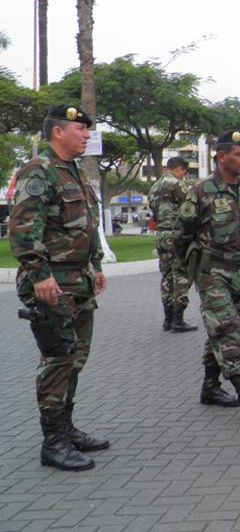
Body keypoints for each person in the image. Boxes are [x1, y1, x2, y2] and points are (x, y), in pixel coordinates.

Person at [10, 105, 109, 471]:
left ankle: (67, 430)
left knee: (75, 359)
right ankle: (53, 442)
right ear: (57, 132)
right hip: (52, 284)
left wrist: (95, 265)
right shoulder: (39, 171)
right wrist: (39, 274)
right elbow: (23, 229)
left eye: (86, 129)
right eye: (80, 128)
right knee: (57, 359)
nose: (86, 134)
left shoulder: (74, 172)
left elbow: (86, 226)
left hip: (78, 280)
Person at [178, 130, 240, 420]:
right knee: (226, 330)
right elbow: (182, 235)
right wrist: (188, 277)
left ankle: (210, 386)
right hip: (213, 273)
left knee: (224, 332)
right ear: (222, 156)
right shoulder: (201, 191)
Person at [148, 156, 198, 333]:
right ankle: (178, 320)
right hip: (177, 235)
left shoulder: (155, 187)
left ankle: (167, 319)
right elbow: (190, 208)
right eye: (184, 172)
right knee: (181, 276)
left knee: (167, 276)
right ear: (179, 169)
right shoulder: (178, 184)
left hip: (161, 234)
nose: (184, 176)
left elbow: (153, 210)